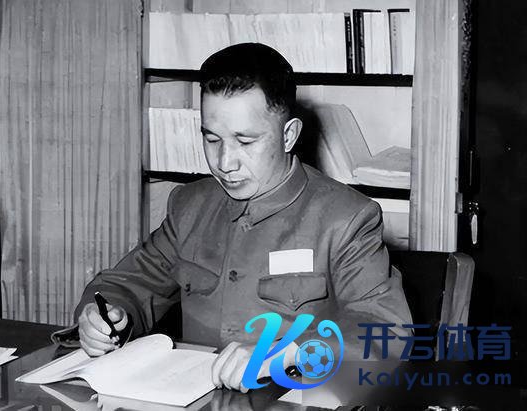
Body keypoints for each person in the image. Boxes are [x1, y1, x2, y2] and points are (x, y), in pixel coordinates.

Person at [74, 43, 412, 392]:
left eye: (245, 142)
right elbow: (127, 283)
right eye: (211, 139)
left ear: (288, 135)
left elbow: (385, 331)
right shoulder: (190, 205)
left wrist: (290, 351)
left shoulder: (347, 218)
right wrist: (105, 316)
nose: (225, 162)